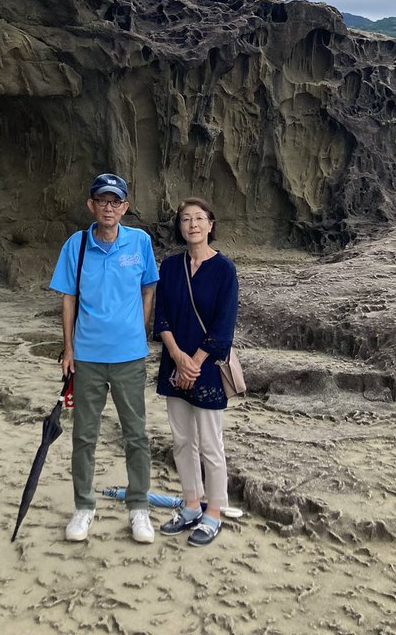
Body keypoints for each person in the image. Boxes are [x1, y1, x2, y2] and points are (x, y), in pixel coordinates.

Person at [49, 172, 159, 544]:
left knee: (136, 434)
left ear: (125, 207)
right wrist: (69, 348)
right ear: (91, 205)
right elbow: (68, 299)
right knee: (84, 435)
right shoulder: (76, 245)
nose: (108, 208)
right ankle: (84, 506)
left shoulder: (140, 242)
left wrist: (139, 330)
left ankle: (139, 507)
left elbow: (148, 289)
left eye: (115, 202)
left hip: (129, 357)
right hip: (88, 357)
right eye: (102, 201)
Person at [153, 196, 239, 547]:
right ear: (180, 226)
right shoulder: (170, 267)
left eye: (199, 218)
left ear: (210, 225)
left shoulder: (225, 270)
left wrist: (195, 362)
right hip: (174, 364)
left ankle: (213, 511)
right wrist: (177, 356)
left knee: (210, 443)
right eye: (186, 219)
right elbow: (161, 316)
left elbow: (223, 325)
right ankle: (191, 505)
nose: (193, 224)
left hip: (206, 368)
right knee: (182, 441)